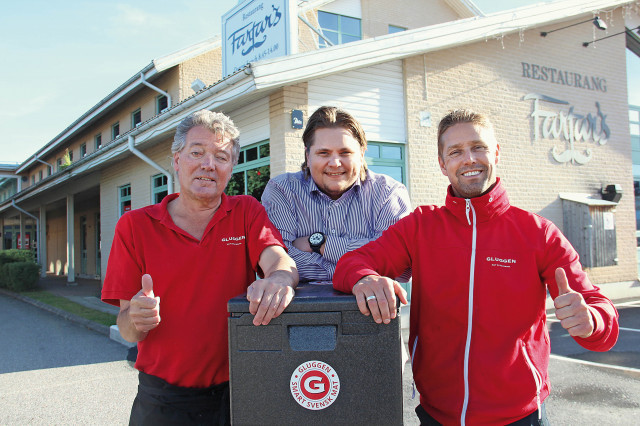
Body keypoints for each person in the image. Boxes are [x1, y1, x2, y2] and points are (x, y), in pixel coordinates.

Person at [333, 108, 619, 425]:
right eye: (455, 151)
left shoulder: (538, 233)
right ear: (443, 164)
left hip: (520, 417)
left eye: (478, 147)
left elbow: (600, 315)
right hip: (436, 415)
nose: (468, 158)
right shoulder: (420, 227)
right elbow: (351, 263)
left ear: (495, 152)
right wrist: (364, 279)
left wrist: (591, 321)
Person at [102, 110, 298, 425]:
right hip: (163, 401)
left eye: (221, 156)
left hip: (238, 394)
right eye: (197, 152)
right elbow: (127, 329)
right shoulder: (135, 226)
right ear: (177, 159)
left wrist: (279, 279)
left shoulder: (245, 211)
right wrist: (136, 317)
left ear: (231, 167)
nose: (208, 164)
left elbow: (278, 259)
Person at [262, 105, 411, 284]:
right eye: (323, 153)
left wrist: (319, 244)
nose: (334, 163)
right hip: (298, 310)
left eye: (345, 153)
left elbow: (401, 267)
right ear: (308, 157)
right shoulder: (282, 190)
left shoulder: (388, 193)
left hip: (371, 308)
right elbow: (277, 262)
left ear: (362, 154)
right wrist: (362, 268)